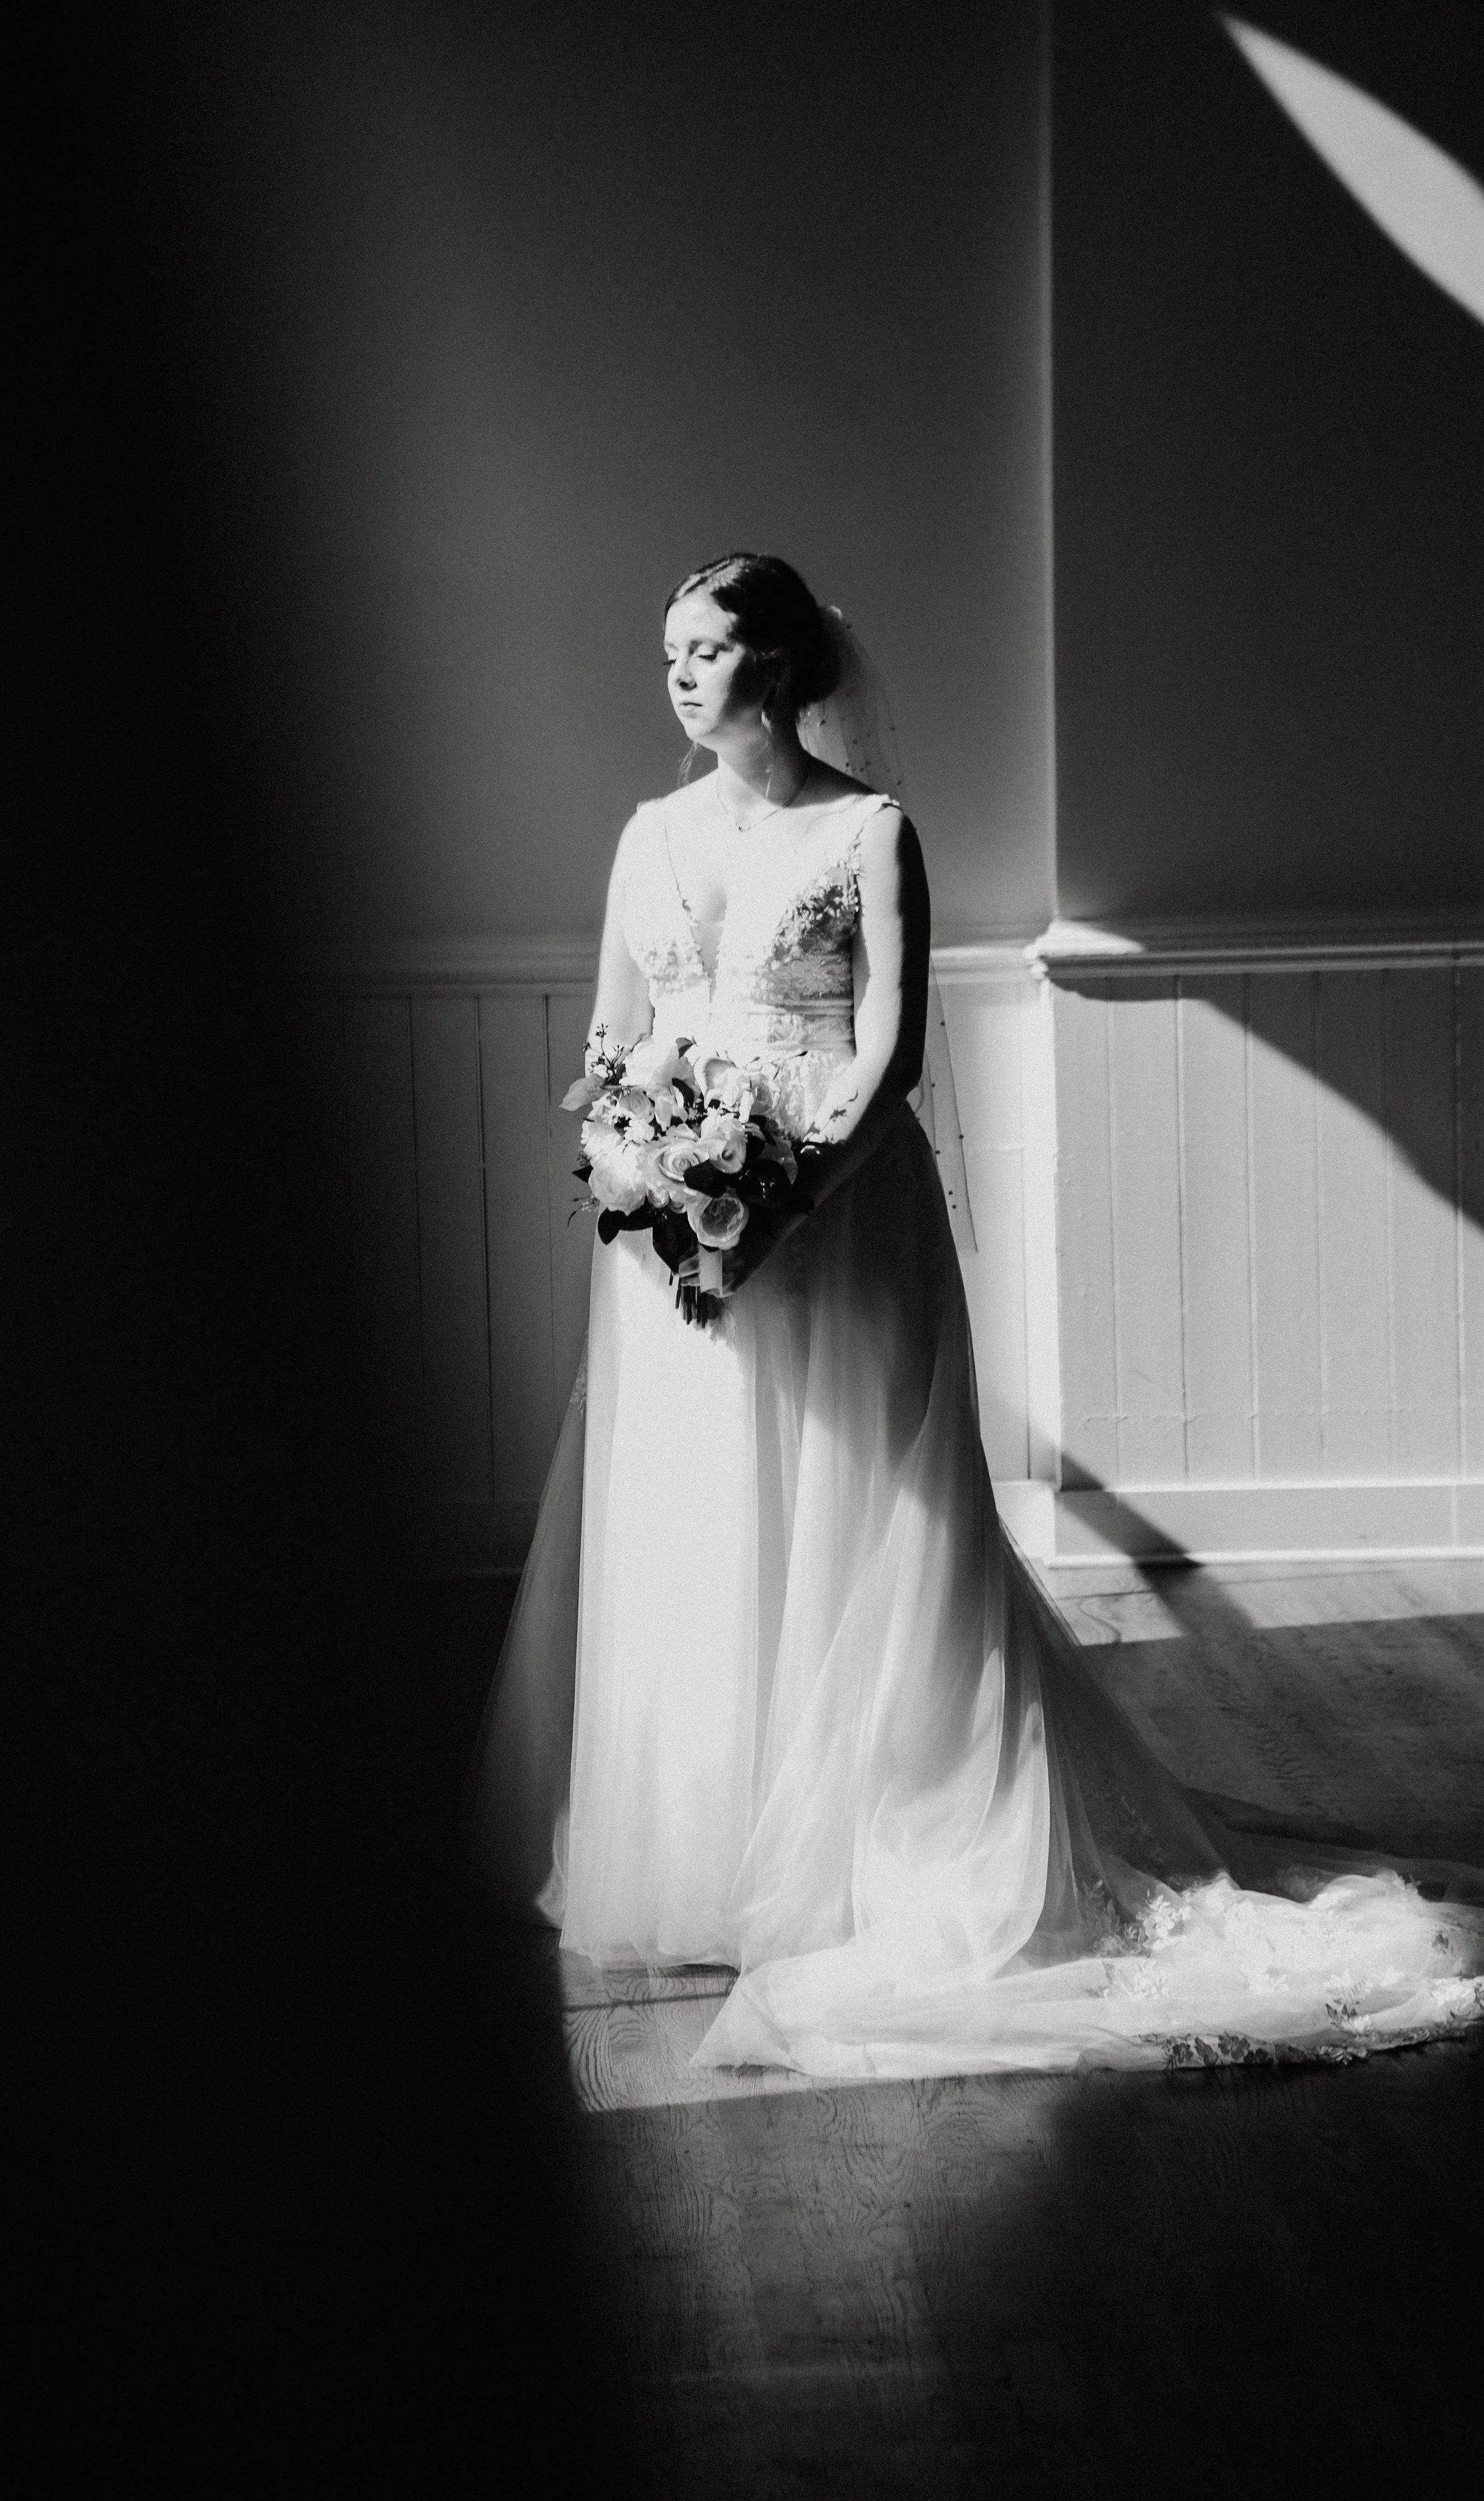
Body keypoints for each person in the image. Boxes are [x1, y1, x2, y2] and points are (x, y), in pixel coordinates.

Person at [471, 551, 1483, 2079]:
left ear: (782, 665)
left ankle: (879, 1843)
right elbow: (617, 1031)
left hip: (837, 1221)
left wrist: (788, 1196)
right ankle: (709, 1843)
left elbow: (885, 1054)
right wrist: (637, 1165)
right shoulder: (647, 837)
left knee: (859, 1514)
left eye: (705, 649)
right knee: (695, 1515)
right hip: (668, 1239)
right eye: (664, 650)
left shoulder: (870, 833)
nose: (675, 675)